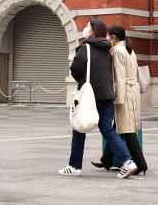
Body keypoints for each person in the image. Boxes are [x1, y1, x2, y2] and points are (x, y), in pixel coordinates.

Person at [59, 18, 137, 178]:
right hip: (106, 94)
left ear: (94, 30)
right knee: (107, 129)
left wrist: (83, 81)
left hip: (89, 95)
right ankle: (127, 161)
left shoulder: (85, 47)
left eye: (88, 26)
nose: (85, 28)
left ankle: (74, 166)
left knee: (78, 128)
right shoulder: (108, 49)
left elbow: (74, 69)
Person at [92, 24, 148, 176]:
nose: (107, 39)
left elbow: (119, 77)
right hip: (133, 91)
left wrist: (118, 99)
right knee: (119, 127)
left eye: (108, 36)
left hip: (125, 93)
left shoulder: (117, 51)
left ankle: (141, 164)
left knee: (127, 130)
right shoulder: (130, 49)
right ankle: (106, 159)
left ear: (114, 37)